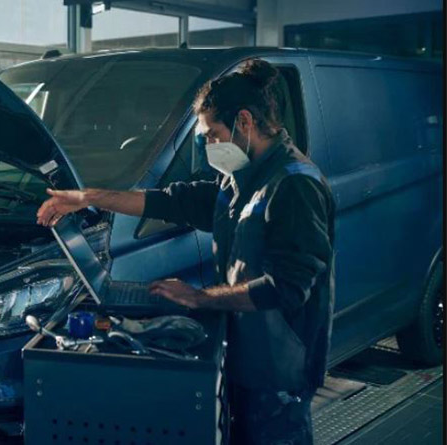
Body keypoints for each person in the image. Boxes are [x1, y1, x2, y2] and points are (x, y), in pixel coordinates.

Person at [36, 60, 335, 444]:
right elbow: (169, 202)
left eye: (212, 135)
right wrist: (86, 198)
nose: (209, 145)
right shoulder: (238, 179)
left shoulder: (294, 186)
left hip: (280, 369)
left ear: (244, 122)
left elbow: (288, 287)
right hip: (249, 354)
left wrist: (199, 298)